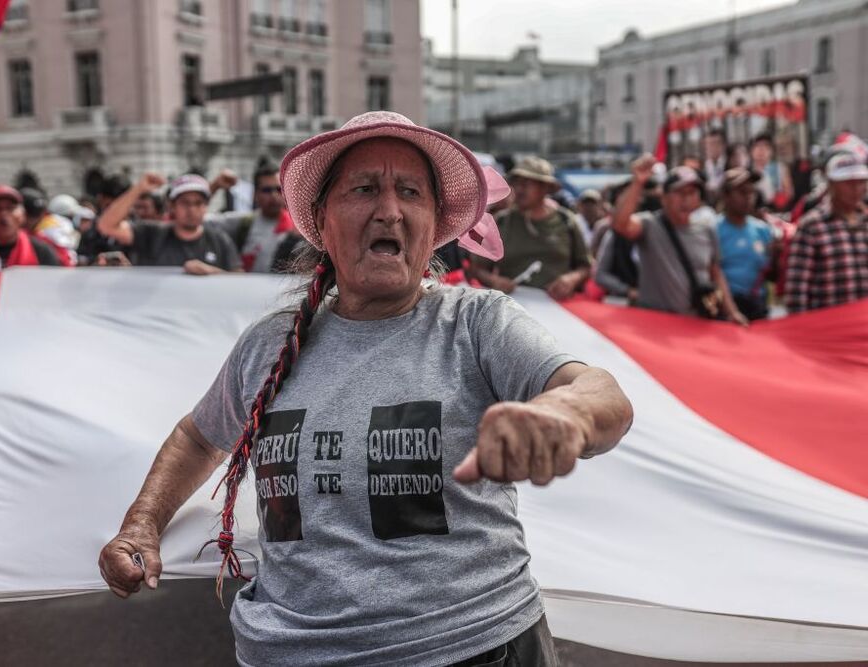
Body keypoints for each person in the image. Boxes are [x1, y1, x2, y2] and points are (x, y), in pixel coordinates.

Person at [98, 111, 634, 667]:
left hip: (475, 648)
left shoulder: (477, 324)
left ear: (434, 227)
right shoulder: (270, 344)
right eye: (364, 189)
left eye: (410, 192)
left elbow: (602, 395)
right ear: (322, 221)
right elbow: (199, 437)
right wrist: (142, 526)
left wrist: (565, 414)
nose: (389, 210)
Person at [611, 155, 748, 325]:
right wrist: (637, 183)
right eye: (680, 193)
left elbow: (715, 273)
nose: (686, 199)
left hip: (695, 326)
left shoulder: (706, 229)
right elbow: (620, 224)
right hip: (654, 326)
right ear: (664, 197)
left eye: (692, 193)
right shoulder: (650, 225)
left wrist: (732, 312)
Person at [469, 156, 591, 299]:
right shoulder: (501, 222)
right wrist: (494, 280)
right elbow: (478, 269)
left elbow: (585, 267)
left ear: (545, 188)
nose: (520, 189)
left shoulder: (566, 221)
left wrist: (571, 279)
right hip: (511, 306)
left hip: (559, 311)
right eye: (517, 183)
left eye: (527, 183)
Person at [96, 172, 242, 274]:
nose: (191, 209)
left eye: (198, 203)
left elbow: (241, 281)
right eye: (185, 203)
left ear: (206, 206)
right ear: (172, 206)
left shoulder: (220, 240)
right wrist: (138, 189)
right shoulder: (151, 234)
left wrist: (212, 273)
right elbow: (106, 225)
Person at [784, 152, 868, 313]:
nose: (857, 190)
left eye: (861, 182)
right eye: (849, 184)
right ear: (831, 185)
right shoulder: (812, 226)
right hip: (829, 327)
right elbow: (797, 292)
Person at [206, 159, 303, 273]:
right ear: (255, 195)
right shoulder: (244, 223)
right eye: (266, 190)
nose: (273, 195)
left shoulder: (301, 227)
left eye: (278, 189)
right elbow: (194, 221)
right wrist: (214, 186)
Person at [716, 168, 776, 320]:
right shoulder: (713, 230)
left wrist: (777, 255)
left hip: (758, 305)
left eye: (751, 192)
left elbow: (772, 274)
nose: (748, 197)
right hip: (726, 309)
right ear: (726, 196)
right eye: (742, 192)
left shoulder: (762, 230)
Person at [21, 188, 77, 266]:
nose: (34, 219)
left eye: (38, 213)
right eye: (29, 213)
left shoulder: (46, 240)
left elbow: (67, 263)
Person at [703, 128, 728, 197]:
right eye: (708, 144)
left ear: (723, 145)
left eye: (715, 143)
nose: (711, 148)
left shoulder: (730, 164)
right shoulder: (701, 167)